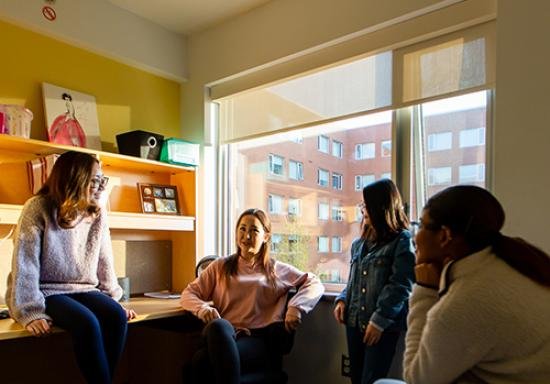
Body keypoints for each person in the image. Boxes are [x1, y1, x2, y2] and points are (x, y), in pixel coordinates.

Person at [376, 185, 550, 384]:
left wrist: (425, 290)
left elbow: (417, 379)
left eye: (421, 226)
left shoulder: (467, 300)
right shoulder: (507, 262)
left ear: (444, 235)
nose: (415, 237)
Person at [6, 151, 136, 384]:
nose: (100, 186)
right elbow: (25, 264)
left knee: (116, 317)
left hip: (84, 289)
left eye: (102, 180)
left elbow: (104, 258)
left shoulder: (96, 212)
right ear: (75, 178)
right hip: (48, 291)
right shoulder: (37, 207)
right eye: (94, 180)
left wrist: (112, 298)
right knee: (87, 323)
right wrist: (29, 311)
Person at [180, 208, 325, 384]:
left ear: (266, 237)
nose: (246, 236)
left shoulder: (275, 269)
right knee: (217, 327)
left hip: (258, 340)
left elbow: (315, 283)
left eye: (254, 230)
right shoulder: (220, 266)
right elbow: (188, 294)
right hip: (225, 334)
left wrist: (296, 307)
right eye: (242, 229)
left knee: (201, 362)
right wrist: (202, 308)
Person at [334, 179, 416, 384]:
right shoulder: (358, 243)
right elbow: (352, 281)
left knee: (371, 380)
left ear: (382, 207)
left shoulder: (402, 240)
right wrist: (342, 299)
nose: (363, 209)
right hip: (353, 322)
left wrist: (379, 321)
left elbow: (401, 285)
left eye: (366, 204)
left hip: (380, 326)